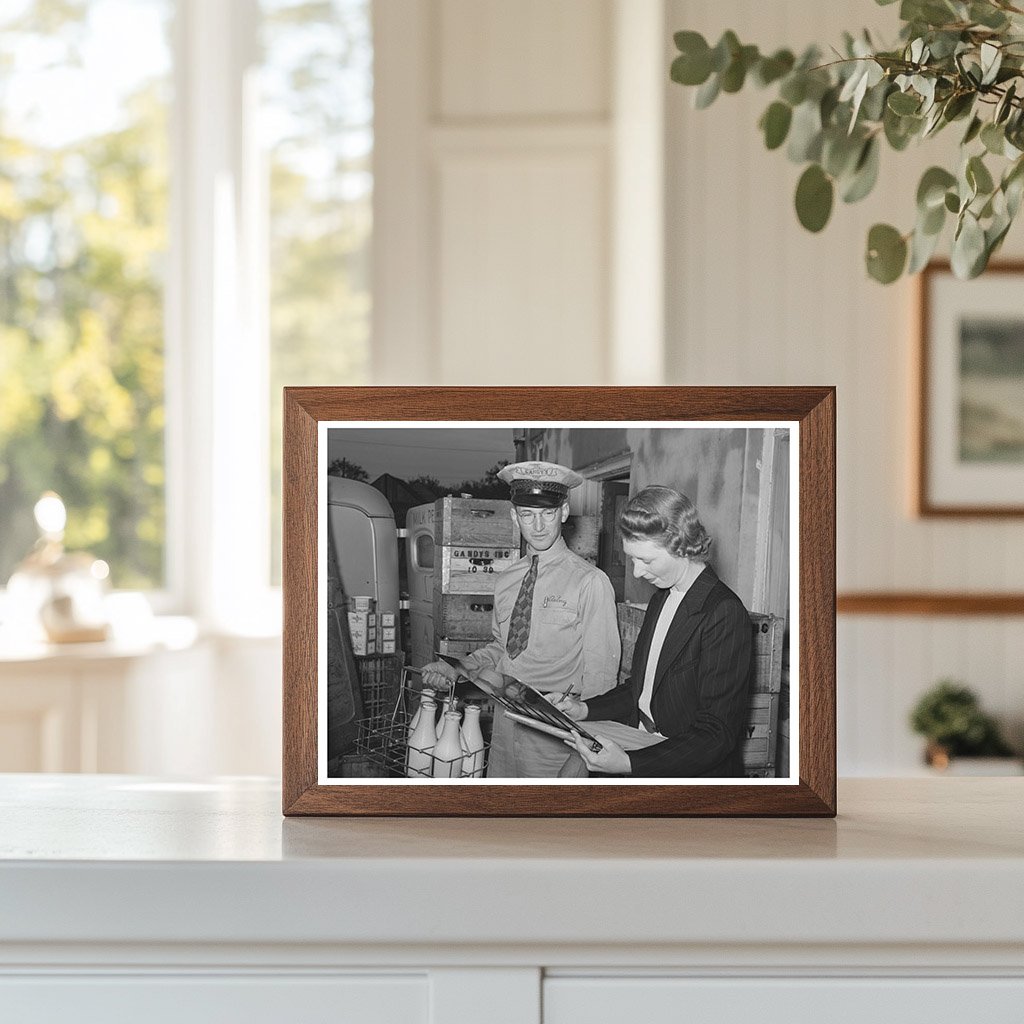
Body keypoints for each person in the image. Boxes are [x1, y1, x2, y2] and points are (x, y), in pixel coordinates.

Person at [421, 461, 620, 777]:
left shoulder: (590, 582)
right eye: (528, 515)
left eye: (548, 514)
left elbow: (603, 679)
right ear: (515, 517)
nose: (538, 526)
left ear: (564, 512)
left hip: (556, 738)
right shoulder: (506, 580)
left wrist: (585, 754)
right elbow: (502, 650)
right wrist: (457, 667)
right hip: (504, 727)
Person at [553, 485, 752, 778]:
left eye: (645, 560)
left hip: (686, 770)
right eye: (632, 559)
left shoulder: (723, 612)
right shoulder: (662, 596)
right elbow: (642, 688)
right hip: (641, 743)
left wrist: (631, 764)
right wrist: (583, 709)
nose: (636, 572)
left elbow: (716, 734)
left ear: (681, 545)